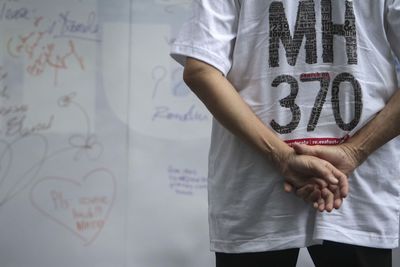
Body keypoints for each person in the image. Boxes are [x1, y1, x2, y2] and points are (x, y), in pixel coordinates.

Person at [170, 0, 400, 266]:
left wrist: (281, 156)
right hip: (357, 191)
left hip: (254, 190)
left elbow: (201, 70)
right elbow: (199, 71)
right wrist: (353, 151)